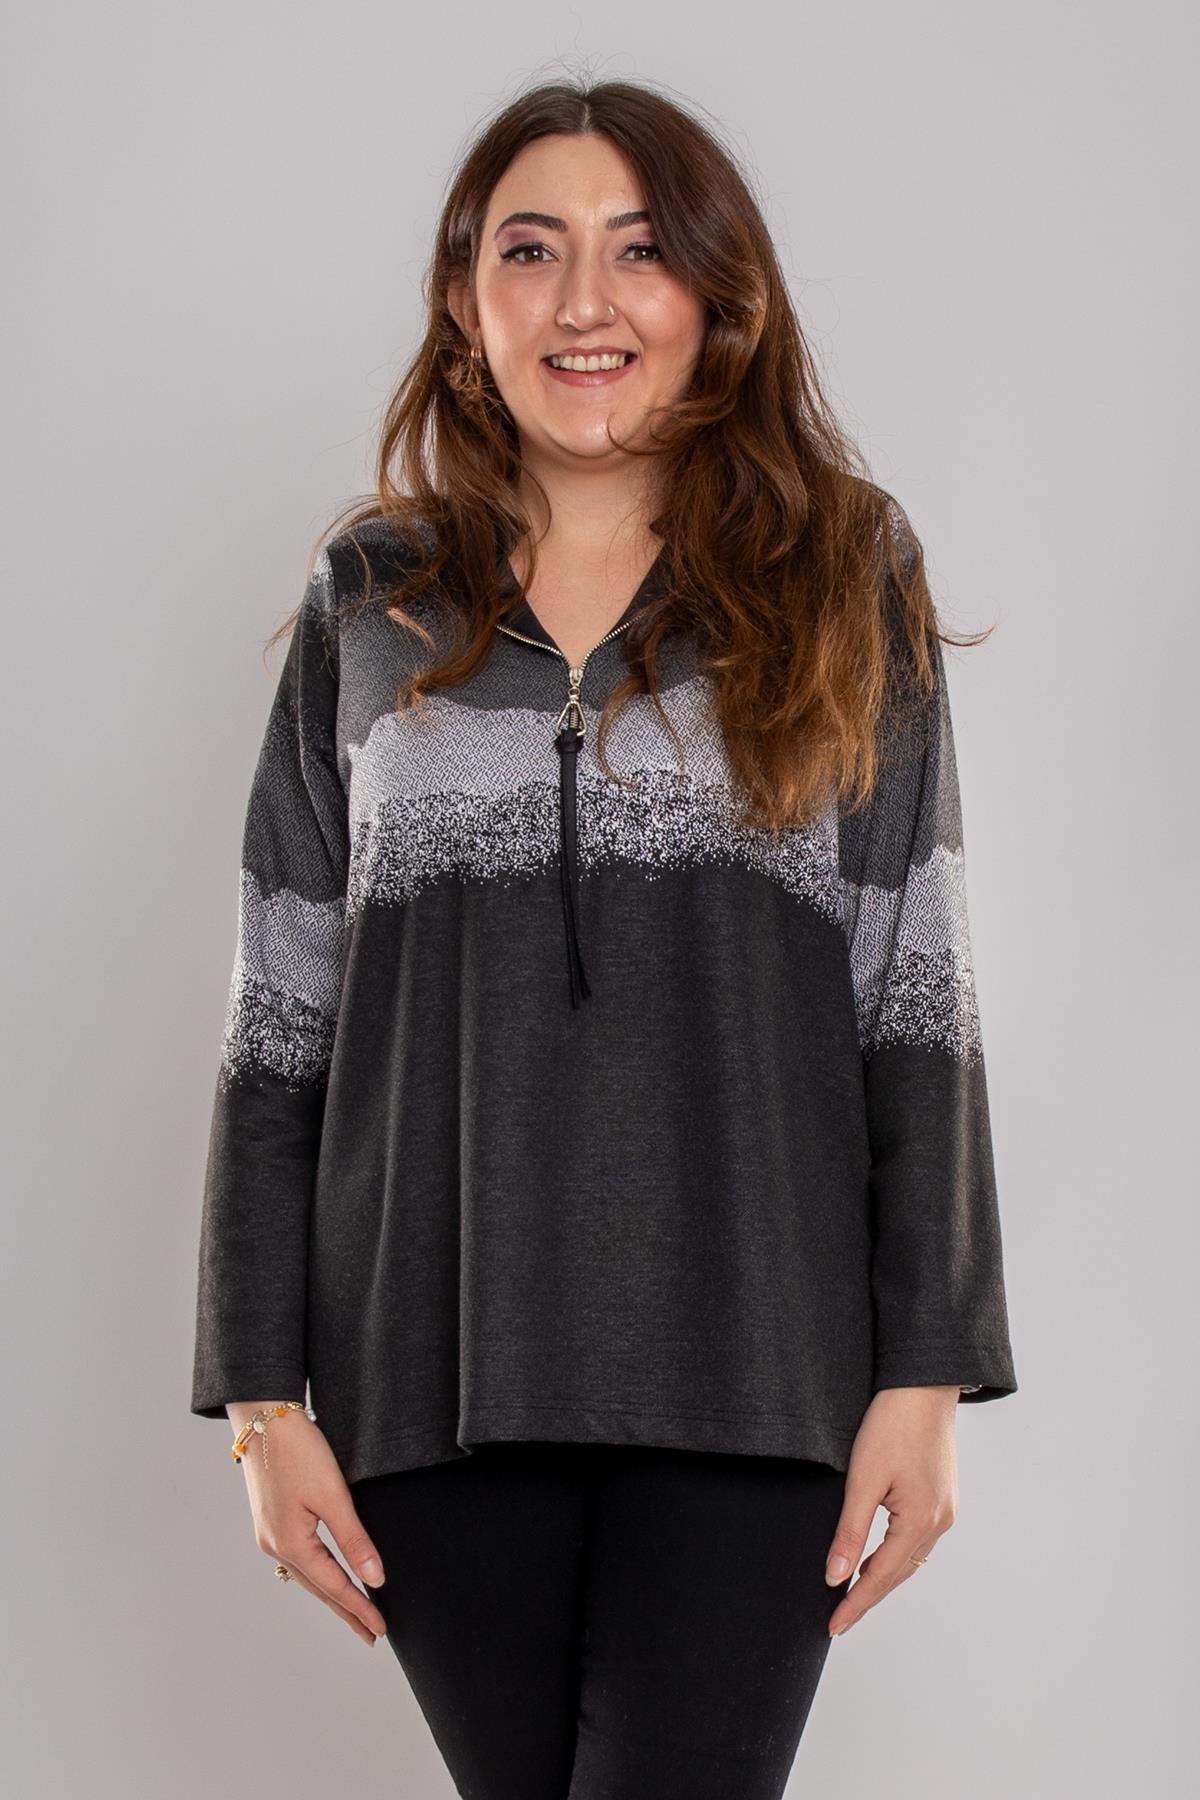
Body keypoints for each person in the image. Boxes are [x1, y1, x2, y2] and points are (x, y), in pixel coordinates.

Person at [190, 76, 1018, 1800]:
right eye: (531, 250)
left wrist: (930, 1371)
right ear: (462, 299)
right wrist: (263, 1403)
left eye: (641, 251)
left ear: (717, 293)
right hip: (432, 1376)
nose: (586, 301)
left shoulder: (843, 572)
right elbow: (280, 1028)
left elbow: (917, 992)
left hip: (759, 1369)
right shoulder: (369, 598)